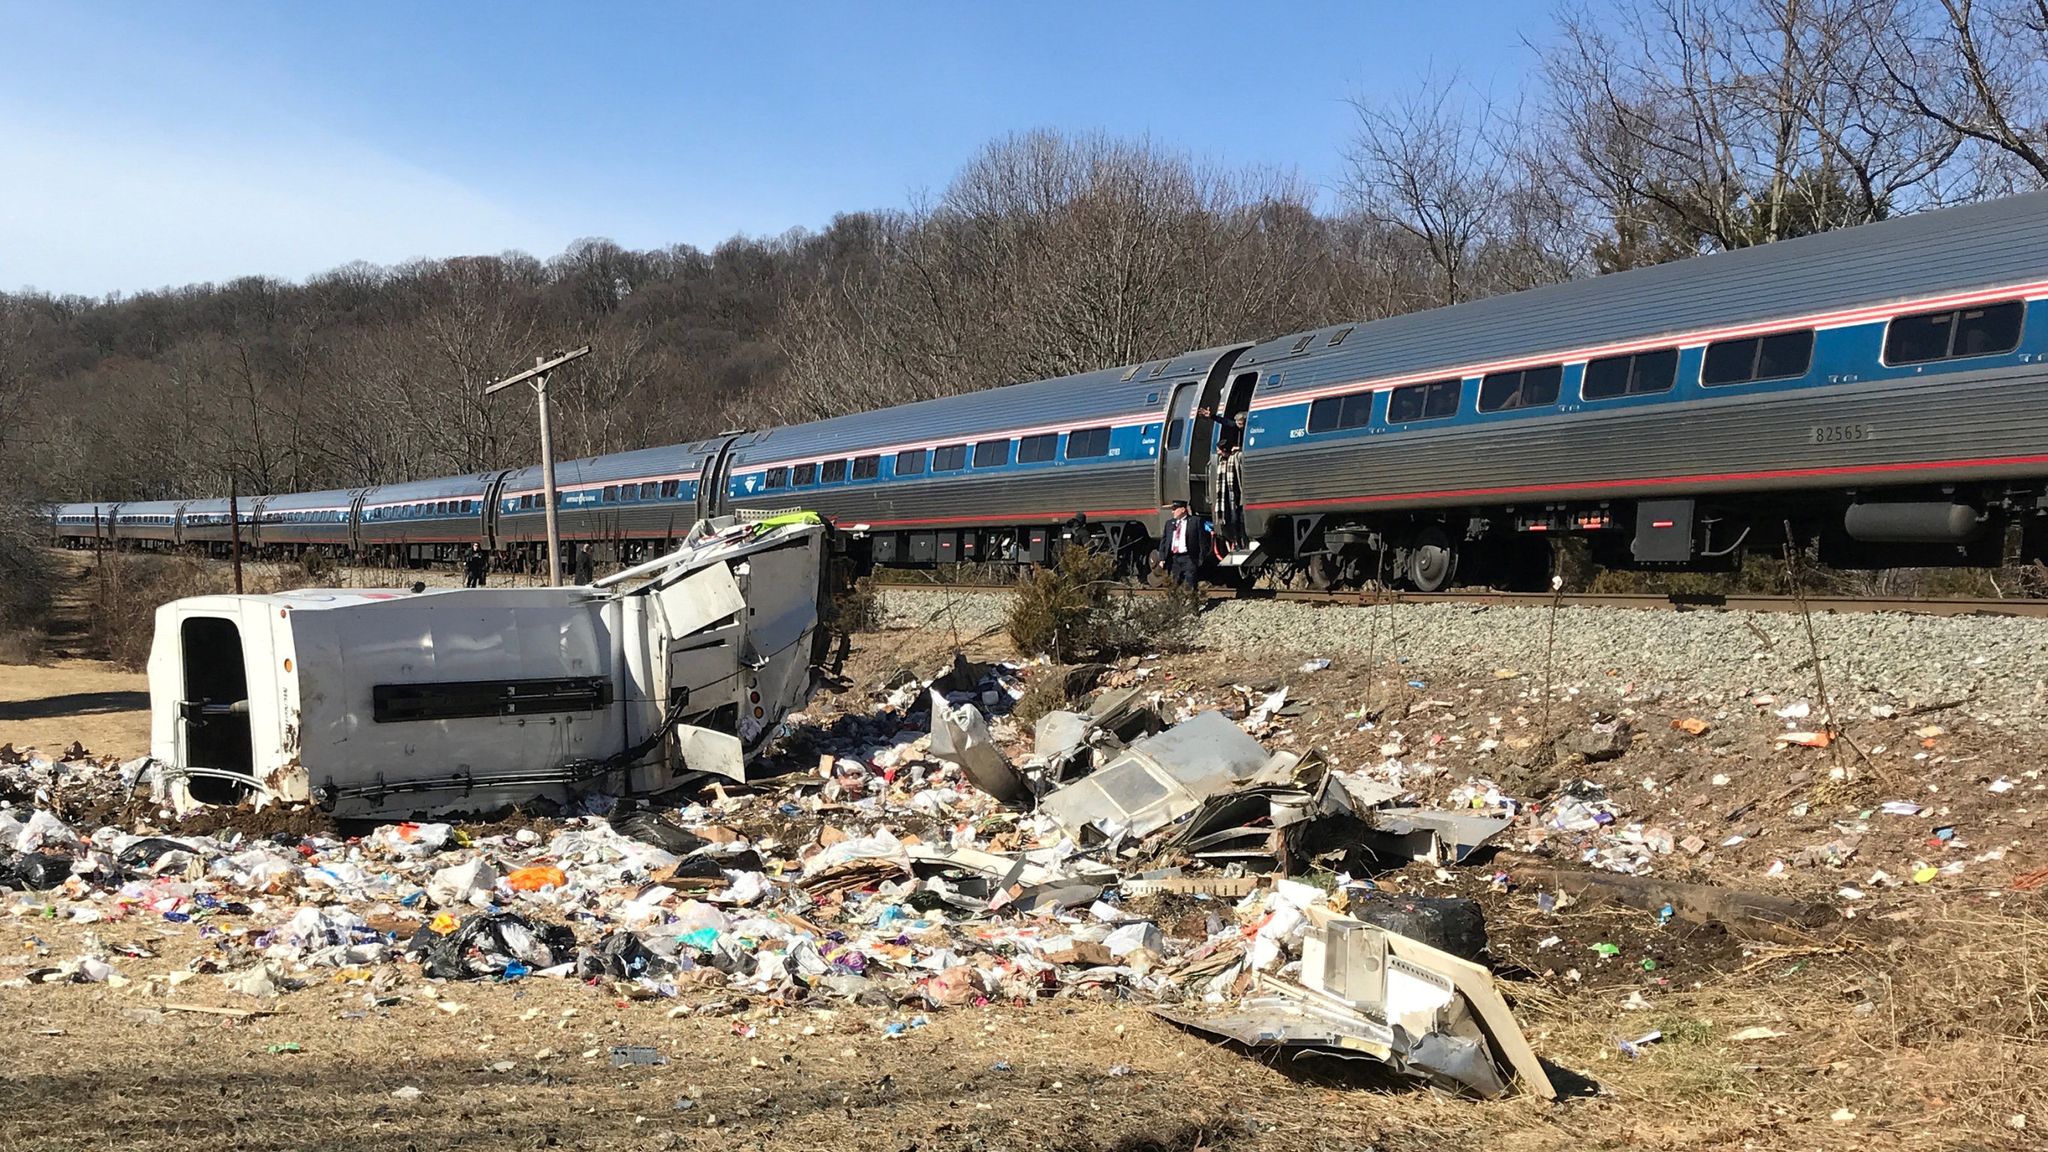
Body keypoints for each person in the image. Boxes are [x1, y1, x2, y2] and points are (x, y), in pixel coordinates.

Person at [1155, 500, 1206, 589]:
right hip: (1174, 558)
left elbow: (1202, 541)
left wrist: (1200, 559)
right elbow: (1164, 542)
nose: (1172, 512)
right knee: (1174, 583)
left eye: (1175, 509)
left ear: (1183, 509)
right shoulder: (1169, 523)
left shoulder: (1195, 521)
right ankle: (1176, 602)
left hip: (1189, 557)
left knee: (1190, 582)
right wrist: (1162, 558)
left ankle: (1191, 600)